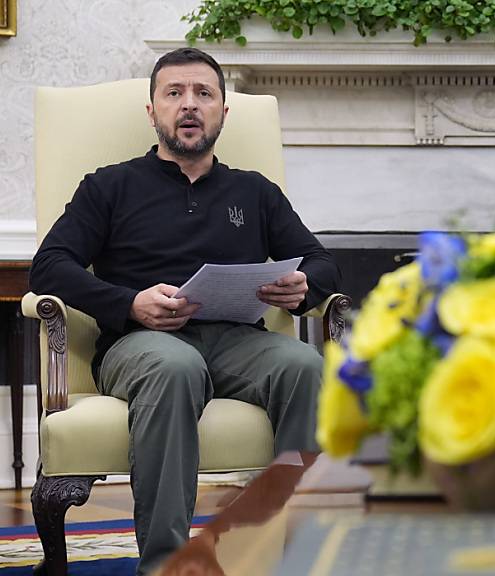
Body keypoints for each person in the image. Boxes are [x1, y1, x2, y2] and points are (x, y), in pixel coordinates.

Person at [29, 47, 342, 574]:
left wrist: (304, 285)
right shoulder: (109, 185)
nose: (189, 105)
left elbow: (324, 262)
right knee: (176, 367)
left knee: (306, 365)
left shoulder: (255, 191)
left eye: (203, 94)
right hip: (140, 344)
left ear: (223, 111)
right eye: (174, 93)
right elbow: (49, 266)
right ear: (152, 111)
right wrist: (129, 303)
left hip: (238, 340)